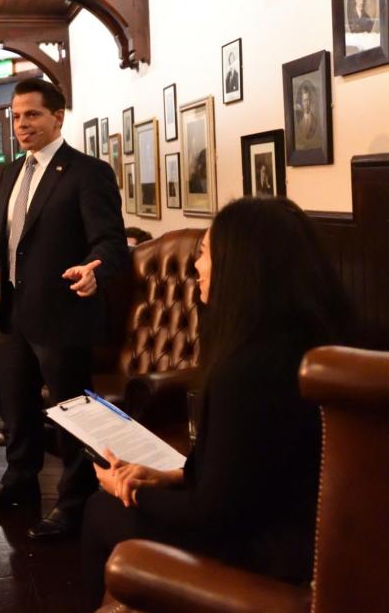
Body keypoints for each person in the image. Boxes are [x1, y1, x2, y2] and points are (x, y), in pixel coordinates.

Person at [80, 197, 353, 607]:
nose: (196, 267)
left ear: (239, 266)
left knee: (102, 511)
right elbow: (250, 471)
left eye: (205, 254)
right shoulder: (322, 339)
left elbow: (214, 514)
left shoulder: (246, 370)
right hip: (319, 536)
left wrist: (131, 491)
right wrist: (162, 477)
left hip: (271, 553)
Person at [0, 78, 127, 540]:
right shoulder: (12, 171)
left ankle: (75, 504)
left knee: (72, 415)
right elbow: (11, 235)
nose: (21, 124)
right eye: (16, 116)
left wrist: (97, 271)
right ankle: (19, 483)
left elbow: (110, 243)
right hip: (14, 313)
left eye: (31, 114)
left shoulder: (88, 173)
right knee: (17, 406)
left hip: (63, 316)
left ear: (57, 117)